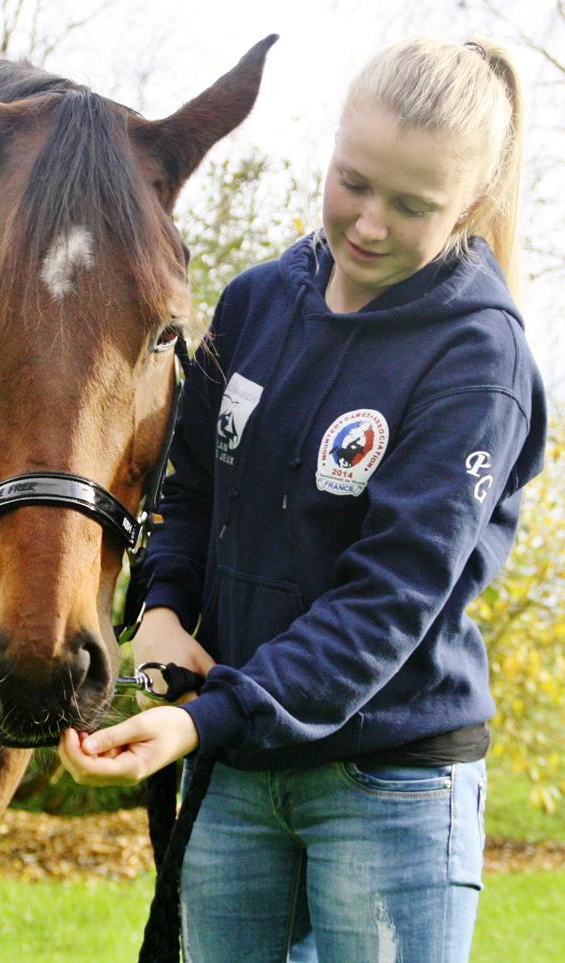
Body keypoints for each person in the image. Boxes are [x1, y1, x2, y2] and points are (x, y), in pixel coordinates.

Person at [58, 35, 547, 963]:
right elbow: (188, 488)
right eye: (353, 181)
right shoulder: (254, 304)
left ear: (469, 203)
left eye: (412, 206)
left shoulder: (480, 363)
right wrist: (160, 607)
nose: (368, 222)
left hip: (390, 784)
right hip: (241, 772)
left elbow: (388, 599)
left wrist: (199, 718)